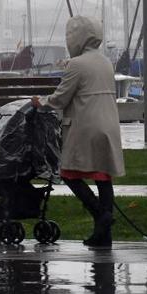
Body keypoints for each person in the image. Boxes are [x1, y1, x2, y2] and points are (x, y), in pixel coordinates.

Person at [32, 16, 125, 247]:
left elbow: (60, 98)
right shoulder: (105, 62)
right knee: (103, 177)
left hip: (85, 125)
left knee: (69, 173)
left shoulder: (77, 64)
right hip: (108, 124)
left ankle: (100, 215)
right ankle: (103, 235)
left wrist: (40, 102)